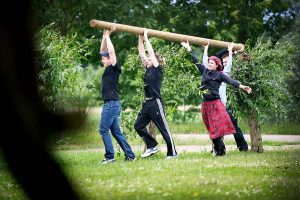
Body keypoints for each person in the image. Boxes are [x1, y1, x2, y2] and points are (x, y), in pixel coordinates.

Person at [181, 41, 252, 156]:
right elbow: (196, 60)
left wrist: (242, 86)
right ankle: (220, 149)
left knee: (215, 129)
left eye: (211, 63)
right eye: (208, 62)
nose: (209, 64)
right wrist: (189, 48)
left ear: (216, 65)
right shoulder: (204, 71)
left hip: (216, 104)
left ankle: (221, 151)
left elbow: (231, 81)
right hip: (205, 104)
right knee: (210, 129)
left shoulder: (220, 75)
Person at [134, 29, 177, 159]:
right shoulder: (147, 68)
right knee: (138, 125)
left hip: (155, 102)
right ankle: (151, 146)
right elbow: (141, 52)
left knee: (163, 128)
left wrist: (146, 37)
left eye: (149, 59)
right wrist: (140, 38)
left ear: (155, 61)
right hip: (147, 104)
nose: (146, 60)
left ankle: (173, 153)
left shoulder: (157, 69)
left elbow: (150, 53)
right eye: (147, 59)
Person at [98, 27, 135, 164]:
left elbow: (111, 52)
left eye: (104, 59)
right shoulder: (107, 67)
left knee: (103, 129)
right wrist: (104, 35)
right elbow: (103, 50)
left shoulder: (114, 67)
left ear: (110, 60)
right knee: (116, 132)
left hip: (111, 103)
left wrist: (108, 37)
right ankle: (130, 155)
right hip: (112, 103)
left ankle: (110, 157)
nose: (102, 60)